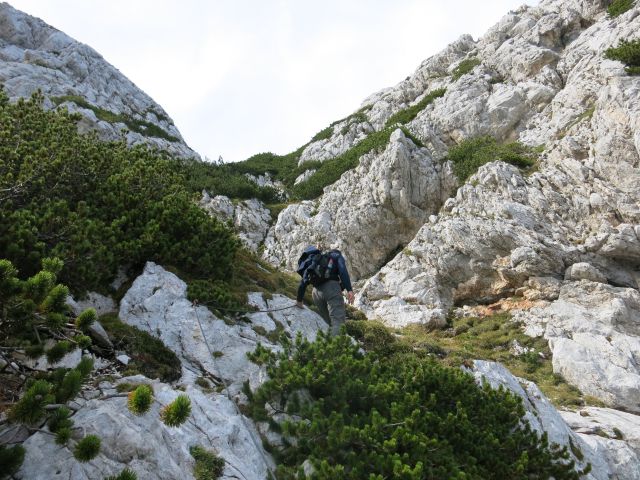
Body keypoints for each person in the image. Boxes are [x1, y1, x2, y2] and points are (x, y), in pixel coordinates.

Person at [296, 245, 355, 336]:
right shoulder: (337, 256)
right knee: (338, 323)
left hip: (315, 293)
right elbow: (343, 271)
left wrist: (299, 300)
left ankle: (326, 345)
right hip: (331, 288)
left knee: (328, 323)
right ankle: (334, 349)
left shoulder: (318, 261)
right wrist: (349, 290)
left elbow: (303, 282)